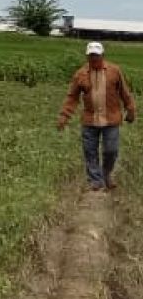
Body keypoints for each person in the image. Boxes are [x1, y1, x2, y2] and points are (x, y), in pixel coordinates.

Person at [57, 41, 136, 191]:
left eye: (97, 55)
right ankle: (95, 180)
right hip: (90, 120)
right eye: (91, 55)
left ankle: (106, 174)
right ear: (87, 56)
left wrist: (130, 109)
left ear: (103, 56)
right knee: (90, 151)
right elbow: (72, 97)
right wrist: (64, 116)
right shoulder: (80, 74)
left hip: (111, 118)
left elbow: (125, 92)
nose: (94, 58)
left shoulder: (114, 71)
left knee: (111, 150)